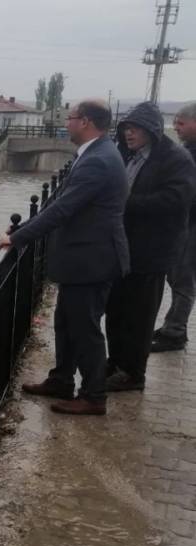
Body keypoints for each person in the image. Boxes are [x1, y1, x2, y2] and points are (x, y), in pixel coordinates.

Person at [0, 99, 129, 416]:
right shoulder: (96, 154)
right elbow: (61, 205)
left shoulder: (98, 160)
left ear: (84, 122)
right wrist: (25, 229)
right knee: (67, 324)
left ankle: (94, 396)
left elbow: (62, 209)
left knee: (85, 329)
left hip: (92, 260)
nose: (65, 124)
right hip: (83, 259)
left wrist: (16, 237)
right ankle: (61, 380)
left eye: (69, 118)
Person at [104, 102, 196, 391]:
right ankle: (115, 362)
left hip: (151, 251)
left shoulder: (175, 159)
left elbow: (176, 201)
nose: (129, 134)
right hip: (123, 248)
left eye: (135, 129)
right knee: (117, 309)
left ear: (152, 130)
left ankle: (133, 373)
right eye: (126, 129)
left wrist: (127, 204)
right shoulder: (128, 155)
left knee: (140, 315)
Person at [151, 102, 196, 352]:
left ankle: (175, 332)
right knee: (177, 274)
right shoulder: (189, 149)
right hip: (185, 222)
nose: (176, 128)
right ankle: (173, 325)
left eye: (181, 123)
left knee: (182, 277)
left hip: (191, 223)